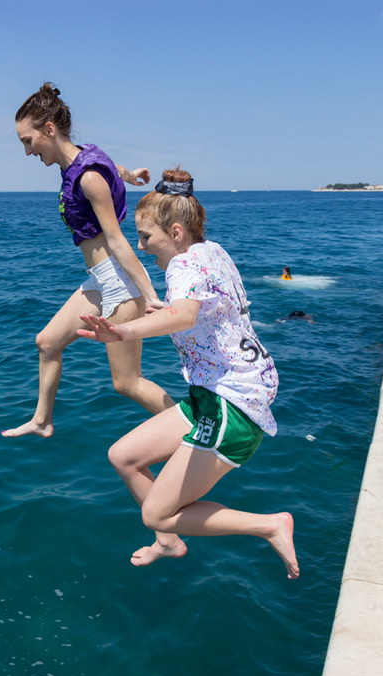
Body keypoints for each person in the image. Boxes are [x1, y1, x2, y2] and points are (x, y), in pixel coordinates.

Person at [77, 169, 299, 578]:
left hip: (233, 402)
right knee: (124, 457)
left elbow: (186, 314)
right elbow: (212, 309)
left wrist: (124, 330)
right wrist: (170, 312)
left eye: (146, 237)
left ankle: (269, 525)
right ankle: (169, 540)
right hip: (214, 392)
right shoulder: (212, 250)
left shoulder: (181, 266)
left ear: (176, 232)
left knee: (155, 513)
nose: (141, 247)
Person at [3, 83, 174, 438]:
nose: (26, 151)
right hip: (100, 279)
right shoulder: (84, 158)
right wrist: (131, 175)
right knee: (47, 342)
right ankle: (42, 420)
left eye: (27, 141)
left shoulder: (88, 175)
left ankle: (198, 426)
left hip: (120, 284)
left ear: (49, 130)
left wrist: (151, 296)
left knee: (127, 382)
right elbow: (115, 167)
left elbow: (117, 240)